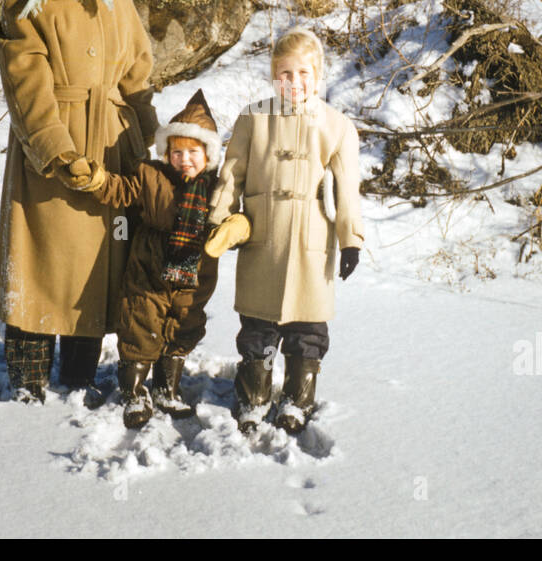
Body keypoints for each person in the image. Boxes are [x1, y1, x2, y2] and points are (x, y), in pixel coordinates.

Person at [0, 0, 157, 405]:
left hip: (111, 146)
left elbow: (138, 78)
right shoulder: (27, 4)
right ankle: (26, 380)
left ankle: (81, 375)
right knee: (42, 262)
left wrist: (149, 144)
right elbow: (28, 91)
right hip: (51, 152)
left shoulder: (119, 1)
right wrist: (58, 153)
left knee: (94, 269)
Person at [205, 27, 364, 434]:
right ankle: (253, 396)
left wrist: (350, 241)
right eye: (285, 73)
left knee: (307, 328)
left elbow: (348, 188)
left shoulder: (337, 125)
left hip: (312, 241)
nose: (294, 82)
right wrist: (219, 220)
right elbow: (231, 176)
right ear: (273, 74)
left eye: (304, 73)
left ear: (318, 74)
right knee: (257, 326)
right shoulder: (252, 118)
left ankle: (297, 398)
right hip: (262, 238)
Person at [70, 90, 222, 428]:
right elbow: (120, 191)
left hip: (195, 275)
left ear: (208, 154)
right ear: (166, 153)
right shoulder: (151, 176)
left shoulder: (217, 188)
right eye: (177, 151)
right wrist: (96, 180)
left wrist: (238, 225)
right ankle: (134, 392)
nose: (184, 159)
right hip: (149, 270)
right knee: (141, 326)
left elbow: (232, 216)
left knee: (185, 325)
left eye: (193, 152)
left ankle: (168, 388)